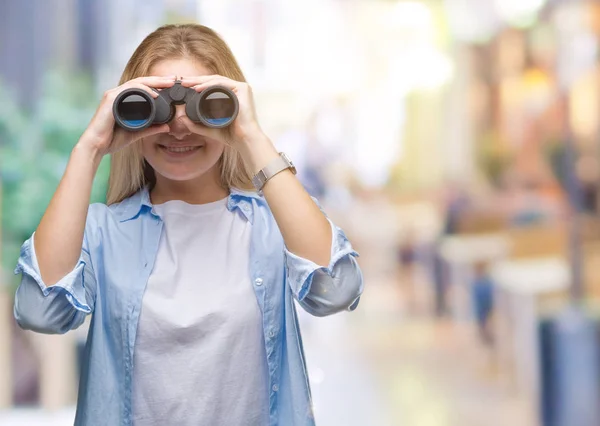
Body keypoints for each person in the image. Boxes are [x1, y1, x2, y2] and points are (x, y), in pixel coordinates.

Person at [13, 24, 364, 426]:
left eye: (204, 106)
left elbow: (336, 289)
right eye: (157, 106)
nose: (180, 125)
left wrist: (251, 136)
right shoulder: (101, 232)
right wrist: (89, 148)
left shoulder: (274, 225)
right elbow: (41, 312)